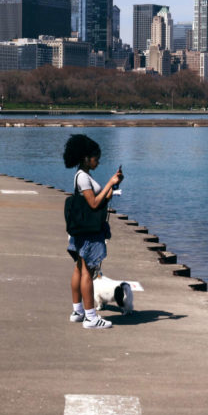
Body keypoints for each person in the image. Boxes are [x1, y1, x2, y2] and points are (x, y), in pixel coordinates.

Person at [62, 134, 123, 330]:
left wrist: (111, 187)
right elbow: (94, 203)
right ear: (86, 158)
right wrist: (109, 183)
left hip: (81, 229)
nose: (98, 161)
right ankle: (90, 317)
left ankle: (78, 311)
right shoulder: (82, 177)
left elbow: (98, 200)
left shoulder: (83, 176)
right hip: (87, 232)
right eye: (96, 157)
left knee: (79, 269)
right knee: (88, 270)